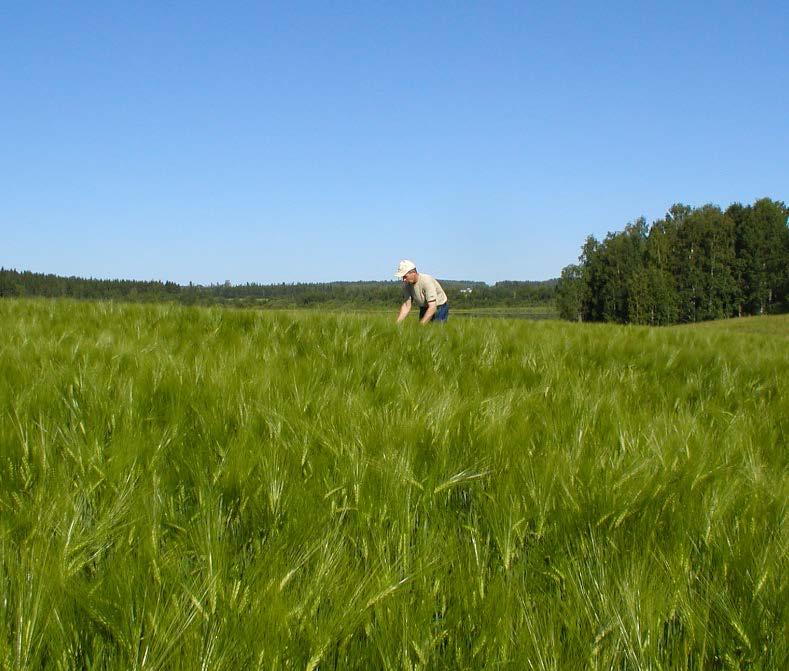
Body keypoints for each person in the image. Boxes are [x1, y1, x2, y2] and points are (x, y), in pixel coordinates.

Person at [394, 260, 449, 324]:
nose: (404, 280)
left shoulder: (426, 281)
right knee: (423, 331)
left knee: (436, 330)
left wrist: (421, 325)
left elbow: (433, 307)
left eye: (405, 276)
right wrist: (397, 324)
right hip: (424, 307)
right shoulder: (406, 285)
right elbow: (406, 306)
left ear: (413, 272)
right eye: (402, 277)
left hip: (439, 307)